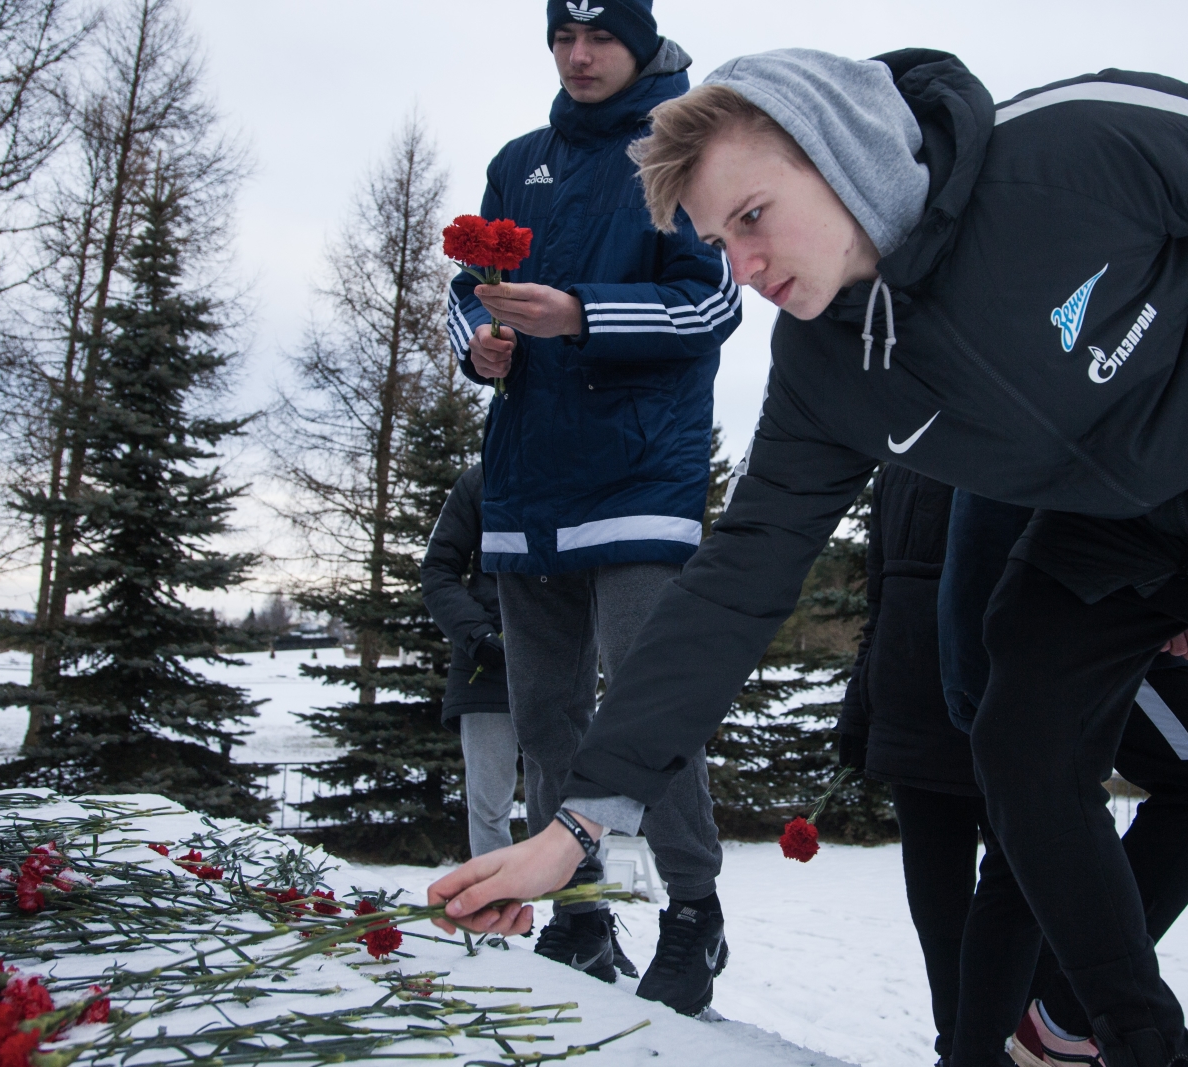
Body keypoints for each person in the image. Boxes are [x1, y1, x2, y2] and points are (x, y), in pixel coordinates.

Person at [428, 50, 1188, 1065]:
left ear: (841, 154)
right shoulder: (827, 367)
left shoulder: (1068, 147)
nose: (746, 262)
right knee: (1018, 742)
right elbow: (739, 578)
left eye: (756, 215)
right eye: (722, 240)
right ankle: (1124, 1039)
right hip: (1116, 528)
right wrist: (583, 821)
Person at [441, 0, 740, 1015]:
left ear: (641, 42)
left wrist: (581, 314)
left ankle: (692, 911)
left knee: (647, 703)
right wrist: (478, 343)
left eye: (599, 37)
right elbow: (465, 288)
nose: (578, 55)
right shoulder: (519, 157)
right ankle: (579, 911)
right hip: (528, 482)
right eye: (561, 38)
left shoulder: (685, 143)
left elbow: (713, 302)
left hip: (639, 479)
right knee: (545, 712)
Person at [936, 489, 1188, 1067]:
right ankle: (1048, 1030)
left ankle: (1036, 1035)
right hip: (1075, 601)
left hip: (1106, 592)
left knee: (1035, 835)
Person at [421, 462, 519, 857]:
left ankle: (581, 915)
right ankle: (499, 913)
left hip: (560, 662)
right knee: (489, 809)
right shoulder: (480, 480)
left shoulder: (580, 471)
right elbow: (437, 570)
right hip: (487, 667)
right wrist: (477, 635)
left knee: (572, 801)